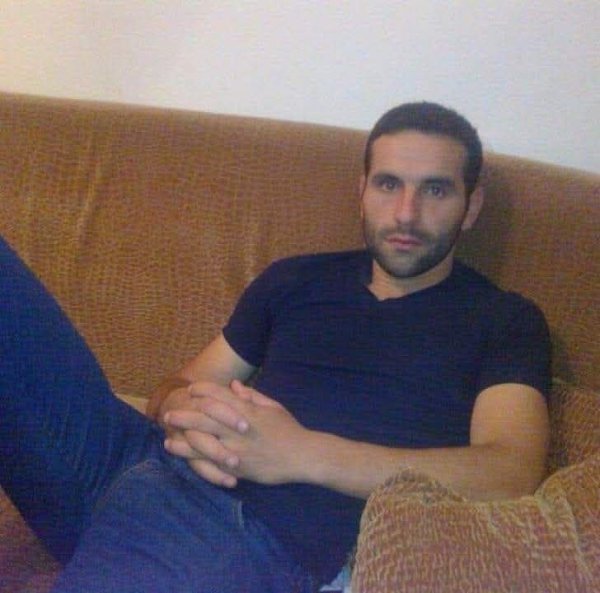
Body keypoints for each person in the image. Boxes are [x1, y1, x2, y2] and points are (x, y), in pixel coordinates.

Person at [0, 102, 551, 593]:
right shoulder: (296, 279)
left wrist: (300, 452)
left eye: (434, 190)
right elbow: (176, 387)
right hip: (127, 459)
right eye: (388, 184)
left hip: (247, 528)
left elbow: (510, 472)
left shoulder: (503, 319)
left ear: (471, 206)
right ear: (361, 190)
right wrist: (182, 408)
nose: (406, 213)